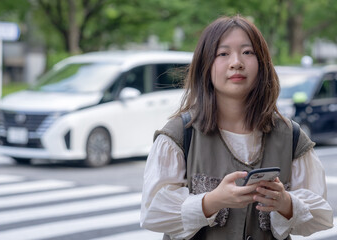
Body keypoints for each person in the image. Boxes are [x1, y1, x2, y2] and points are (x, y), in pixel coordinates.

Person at [140, 15, 333, 240]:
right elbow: (152, 213)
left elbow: (321, 217)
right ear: (206, 65)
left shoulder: (291, 136)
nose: (236, 62)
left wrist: (285, 203)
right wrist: (212, 201)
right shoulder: (180, 134)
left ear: (262, 63)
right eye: (223, 54)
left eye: (248, 52)